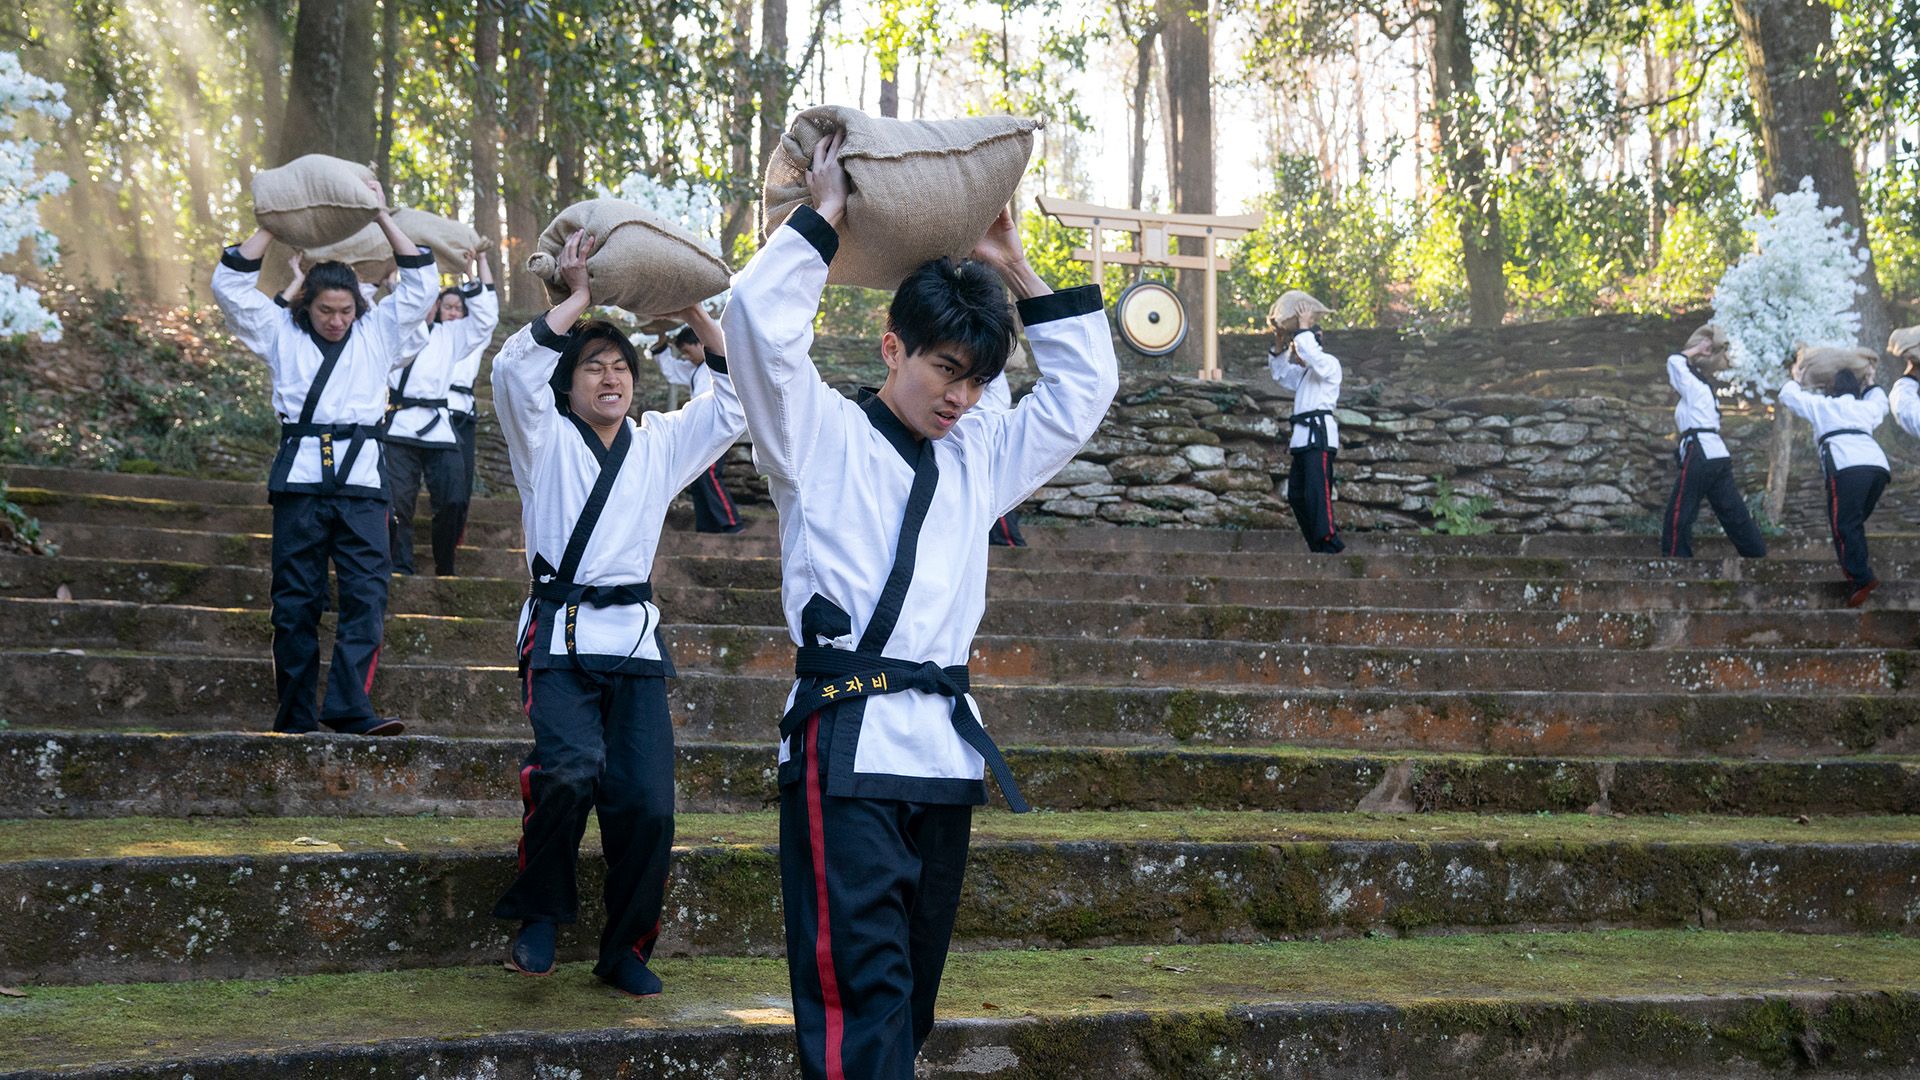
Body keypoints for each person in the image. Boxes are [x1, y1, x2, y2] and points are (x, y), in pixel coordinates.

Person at [722, 131, 1118, 1080]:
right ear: (892, 346)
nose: (963, 396)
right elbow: (754, 325)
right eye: (945, 368)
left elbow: (1083, 392)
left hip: (942, 753)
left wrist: (1012, 261)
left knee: (912, 1002)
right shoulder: (814, 432)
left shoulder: (979, 452)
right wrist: (821, 217)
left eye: (978, 379)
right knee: (862, 999)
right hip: (846, 744)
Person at [488, 229, 742, 999]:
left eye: (621, 366)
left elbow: (733, 402)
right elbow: (510, 368)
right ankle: (539, 913)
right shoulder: (541, 439)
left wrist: (695, 310)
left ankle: (625, 945)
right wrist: (579, 301)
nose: (610, 376)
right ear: (568, 386)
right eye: (594, 366)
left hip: (631, 642)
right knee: (567, 773)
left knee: (649, 806)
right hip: (560, 638)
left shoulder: (660, 444)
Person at [211, 185, 432, 736]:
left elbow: (423, 281)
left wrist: (381, 217)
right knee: (294, 605)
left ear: (359, 307)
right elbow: (230, 284)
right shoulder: (278, 332)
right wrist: (277, 222)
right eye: (326, 311)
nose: (337, 320)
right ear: (305, 306)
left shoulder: (377, 334)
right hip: (301, 485)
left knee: (366, 598)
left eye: (345, 311)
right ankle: (295, 716)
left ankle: (349, 706)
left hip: (361, 484)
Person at [383, 252, 497, 576]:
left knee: (454, 500)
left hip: (439, 428)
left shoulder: (451, 335)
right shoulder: (392, 328)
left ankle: (444, 565)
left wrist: (471, 274)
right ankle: (400, 567)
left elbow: (485, 320)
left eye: (432, 302)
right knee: (397, 505)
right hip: (399, 426)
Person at [1779, 367, 1891, 607]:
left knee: (1844, 525)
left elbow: (1788, 396)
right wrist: (1871, 381)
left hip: (1847, 466)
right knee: (1853, 523)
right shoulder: (1866, 407)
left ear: (1830, 389)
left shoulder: (1823, 406)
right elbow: (1881, 401)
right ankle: (1861, 574)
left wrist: (1797, 377)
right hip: (1877, 468)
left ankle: (1861, 579)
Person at [1660, 331, 1766, 559]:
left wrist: (1698, 348)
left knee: (1680, 508)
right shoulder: (1705, 392)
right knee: (1732, 511)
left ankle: (1676, 560)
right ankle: (1756, 555)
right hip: (1717, 455)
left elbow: (1675, 361)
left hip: (1700, 452)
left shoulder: (1696, 388)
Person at [1269, 292, 1343, 553]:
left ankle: (1328, 541)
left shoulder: (1329, 365)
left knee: (1317, 491)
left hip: (1319, 436)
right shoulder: (1303, 375)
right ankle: (1315, 541)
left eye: (1300, 345)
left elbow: (1311, 354)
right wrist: (1280, 343)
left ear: (1316, 340)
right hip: (1302, 438)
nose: (1297, 351)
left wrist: (1305, 327)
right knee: (1297, 495)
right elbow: (1280, 373)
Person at [656, 324, 748, 533]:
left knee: (710, 474)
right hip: (700, 431)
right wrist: (661, 341)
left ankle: (732, 523)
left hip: (718, 428)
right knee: (696, 478)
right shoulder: (695, 369)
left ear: (700, 343)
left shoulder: (717, 365)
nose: (686, 357)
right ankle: (706, 528)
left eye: (687, 351)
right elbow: (671, 371)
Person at [447, 277, 495, 505]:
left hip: (463, 412)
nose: (453, 313)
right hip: (435, 411)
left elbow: (489, 313)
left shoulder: (472, 338)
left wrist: (478, 266)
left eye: (458, 308)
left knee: (462, 478)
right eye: (448, 307)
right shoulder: (425, 336)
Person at [979, 373, 1027, 546]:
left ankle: (1009, 543)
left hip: (987, 431)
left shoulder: (987, 361)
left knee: (992, 492)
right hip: (978, 430)